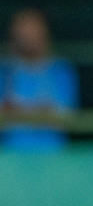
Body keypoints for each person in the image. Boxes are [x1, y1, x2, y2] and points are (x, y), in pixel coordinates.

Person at [1, 8, 78, 152]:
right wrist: (38, 112)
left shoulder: (61, 71)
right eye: (23, 32)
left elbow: (64, 119)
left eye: (33, 31)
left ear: (44, 34)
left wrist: (17, 112)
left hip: (53, 156)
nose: (28, 38)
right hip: (9, 157)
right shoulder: (4, 71)